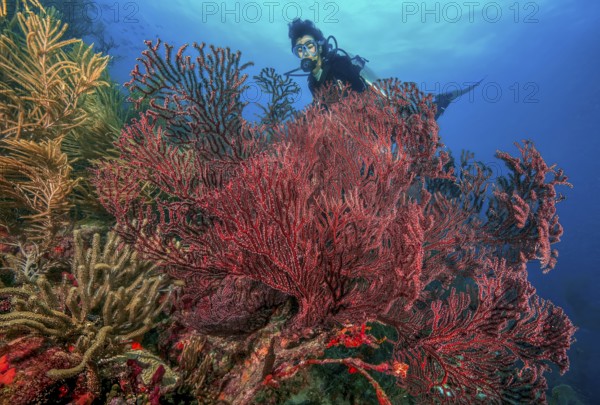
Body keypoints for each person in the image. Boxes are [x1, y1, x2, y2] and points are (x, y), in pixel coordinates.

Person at [286, 18, 480, 119]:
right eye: (299, 49)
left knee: (421, 118)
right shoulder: (313, 81)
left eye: (309, 46)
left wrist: (400, 105)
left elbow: (375, 84)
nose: (306, 53)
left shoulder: (339, 63)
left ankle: (440, 101)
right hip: (355, 130)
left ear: (319, 45)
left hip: (379, 113)